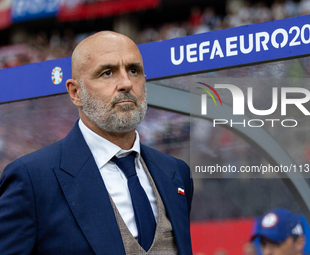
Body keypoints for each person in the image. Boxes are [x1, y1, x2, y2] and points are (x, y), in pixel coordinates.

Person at [0, 31, 193, 255]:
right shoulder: (31, 179)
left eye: (134, 70)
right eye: (107, 73)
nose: (126, 83)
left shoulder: (176, 172)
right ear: (75, 92)